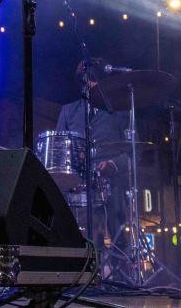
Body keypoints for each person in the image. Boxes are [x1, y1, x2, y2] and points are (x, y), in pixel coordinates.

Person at [56, 60, 127, 259]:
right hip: (77, 187)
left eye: (98, 84)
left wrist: (113, 165)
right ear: (83, 85)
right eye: (89, 83)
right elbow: (60, 152)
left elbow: (134, 151)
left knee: (118, 234)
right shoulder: (68, 111)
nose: (93, 88)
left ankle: (121, 271)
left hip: (112, 185)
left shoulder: (120, 112)